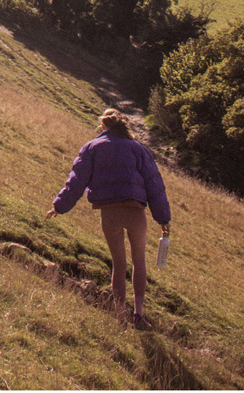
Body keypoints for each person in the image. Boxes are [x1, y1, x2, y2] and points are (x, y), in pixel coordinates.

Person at [45, 108, 173, 329]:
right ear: (121, 124)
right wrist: (163, 218)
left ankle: (120, 315)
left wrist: (59, 206)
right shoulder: (138, 149)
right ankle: (139, 315)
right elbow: (155, 185)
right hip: (135, 212)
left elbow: (76, 181)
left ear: (103, 126)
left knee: (119, 263)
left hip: (109, 213)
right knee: (139, 261)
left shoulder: (92, 148)